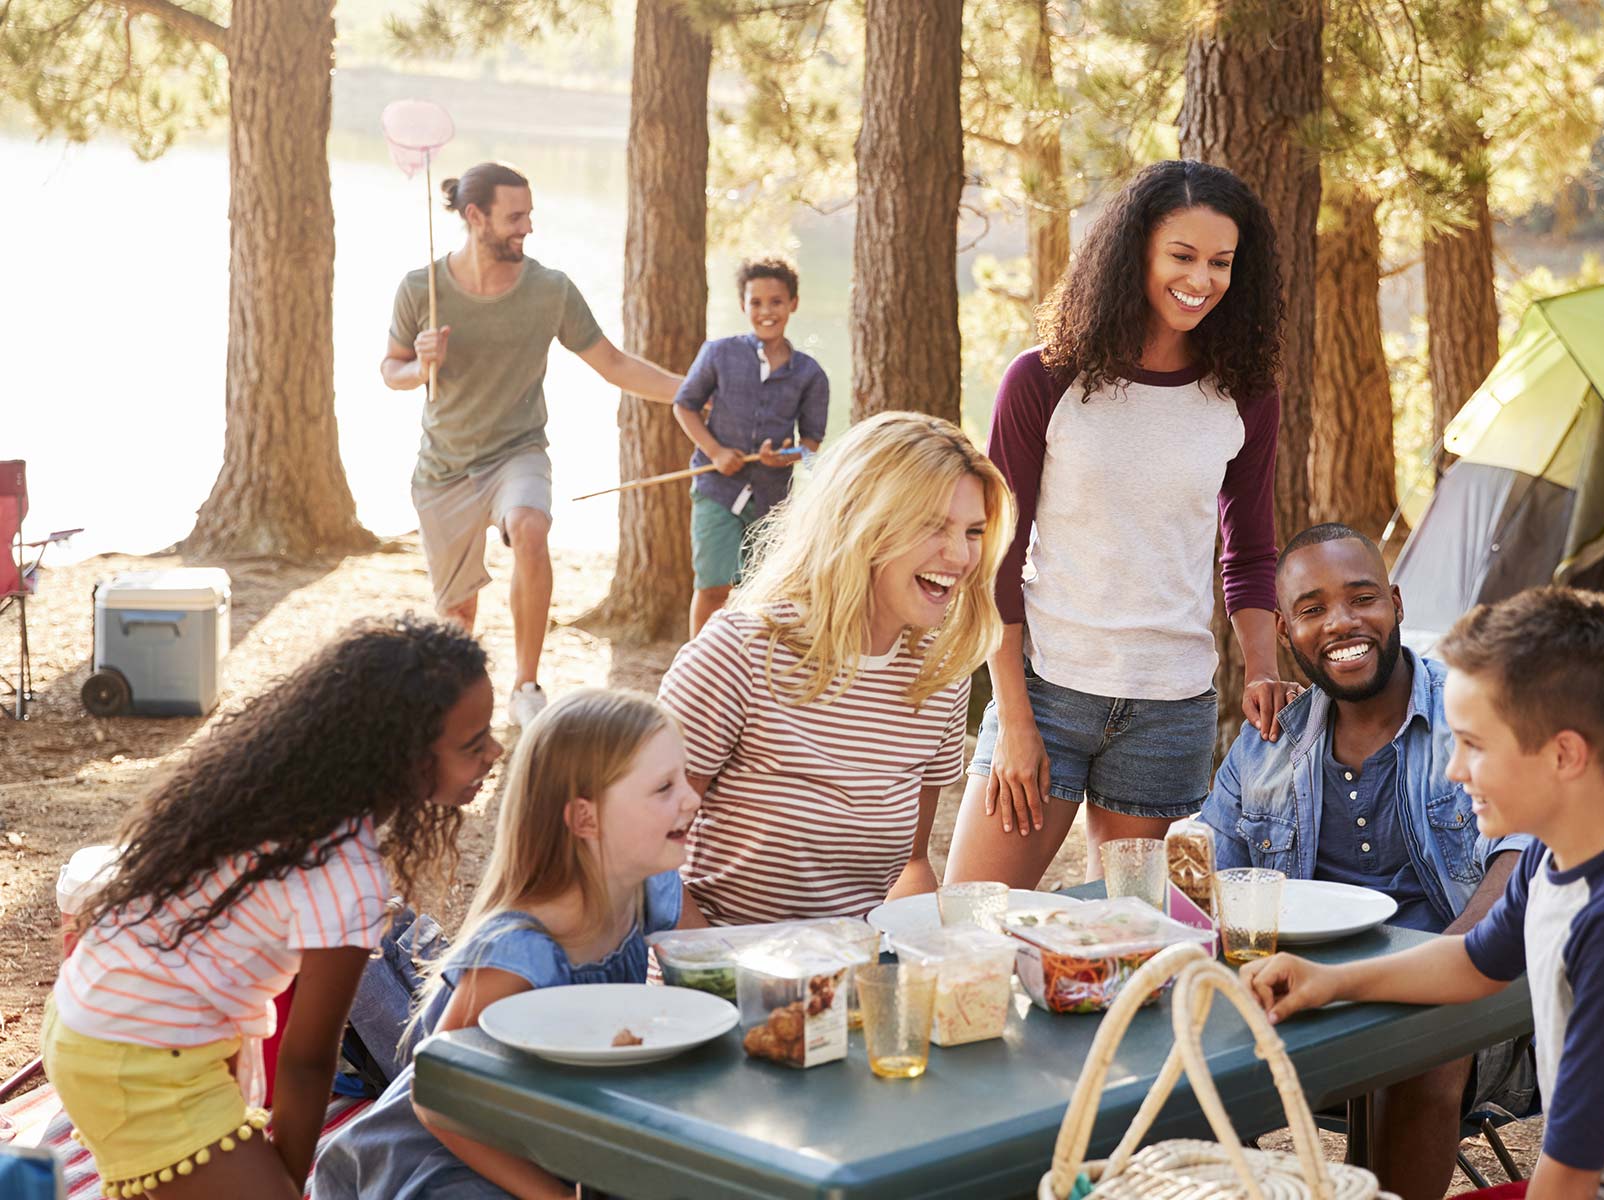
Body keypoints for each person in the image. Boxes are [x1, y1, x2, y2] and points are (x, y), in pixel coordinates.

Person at [1243, 587, 1604, 1200]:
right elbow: (1472, 962)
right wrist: (1330, 981)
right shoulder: (1562, 846)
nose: (1455, 769)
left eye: (1476, 745)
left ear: (1564, 755)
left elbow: (1568, 1179)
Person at [42, 615, 498, 1200]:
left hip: (98, 1014)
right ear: (403, 756)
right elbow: (309, 1063)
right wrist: (282, 1185)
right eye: (472, 742)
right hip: (132, 1052)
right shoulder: (345, 875)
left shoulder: (272, 787)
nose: (495, 751)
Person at [943, 158, 1287, 891]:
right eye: (1182, 256)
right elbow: (997, 558)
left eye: (1221, 262)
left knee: (1127, 943)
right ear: (1135, 252)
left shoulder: (1246, 396)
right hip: (1049, 688)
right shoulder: (1043, 380)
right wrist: (1013, 721)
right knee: (971, 920)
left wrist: (1261, 664)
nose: (1202, 279)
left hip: (1172, 706)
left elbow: (1249, 550)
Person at [1200, 523, 1534, 1200]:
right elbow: (1210, 877)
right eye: (1312, 610)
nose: (1341, 623)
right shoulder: (1266, 746)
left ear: (1398, 603)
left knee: (1424, 1053)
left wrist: (1437, 971)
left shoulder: (1471, 712)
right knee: (1193, 1054)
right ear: (1287, 633)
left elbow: (1519, 861)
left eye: (1362, 598)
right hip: (1303, 991)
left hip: (1458, 987)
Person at [314, 689, 700, 1200]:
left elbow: (717, 967)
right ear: (585, 820)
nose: (692, 798)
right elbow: (437, 1098)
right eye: (664, 787)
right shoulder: (521, 954)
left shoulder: (651, 886)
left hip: (547, 1142)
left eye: (686, 777)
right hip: (444, 1159)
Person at [658, 411, 1014, 925]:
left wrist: (925, 957)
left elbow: (912, 865)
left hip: (850, 980)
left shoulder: (942, 675)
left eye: (974, 531)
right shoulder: (736, 655)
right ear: (861, 521)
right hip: (717, 981)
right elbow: (644, 859)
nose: (960, 555)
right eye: (934, 525)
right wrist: (724, 970)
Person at [381, 161, 685, 728]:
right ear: (476, 217)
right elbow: (391, 372)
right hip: (443, 466)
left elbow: (613, 363)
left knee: (530, 526)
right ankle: (458, 700)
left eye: (529, 215)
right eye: (514, 217)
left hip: (516, 451)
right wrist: (420, 367)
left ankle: (526, 685)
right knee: (457, 610)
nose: (527, 227)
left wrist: (690, 391)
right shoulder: (420, 289)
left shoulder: (550, 290)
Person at [672, 256, 830, 637]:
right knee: (712, 587)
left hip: (771, 501)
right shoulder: (718, 354)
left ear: (793, 303)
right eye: (756, 302)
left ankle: (749, 674)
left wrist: (786, 457)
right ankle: (701, 675)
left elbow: (811, 444)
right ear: (743, 305)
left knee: (761, 593)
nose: (766, 312)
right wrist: (715, 451)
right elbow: (684, 405)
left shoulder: (810, 374)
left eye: (776, 301)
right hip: (717, 491)